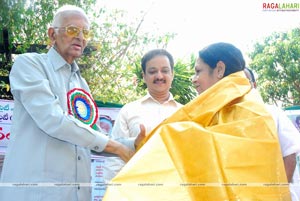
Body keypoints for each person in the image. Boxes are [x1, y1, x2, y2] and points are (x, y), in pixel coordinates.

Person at [103, 42, 291, 200]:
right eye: (152, 71)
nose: (194, 80)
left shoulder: (247, 110)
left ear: (219, 70)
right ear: (144, 76)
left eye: (198, 71)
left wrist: (168, 135)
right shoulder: (217, 108)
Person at [0, 5, 134, 201]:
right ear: (52, 34)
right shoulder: (30, 65)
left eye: (85, 32)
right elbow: (52, 120)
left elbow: (93, 135)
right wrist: (117, 148)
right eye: (72, 29)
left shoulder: (82, 83)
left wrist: (132, 144)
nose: (80, 36)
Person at [102, 49, 182, 183]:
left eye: (165, 70)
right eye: (152, 71)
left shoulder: (184, 113)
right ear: (144, 76)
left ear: (172, 74)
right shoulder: (129, 110)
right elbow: (115, 156)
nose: (159, 76)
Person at [244, 67, 300, 201]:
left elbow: (289, 154)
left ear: (254, 85)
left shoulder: (272, 112)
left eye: (244, 81)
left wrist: (278, 193)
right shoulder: (224, 118)